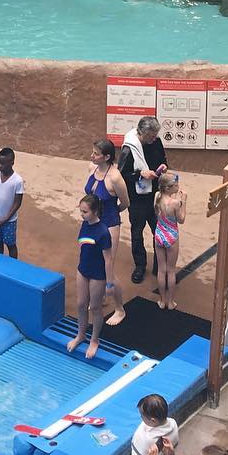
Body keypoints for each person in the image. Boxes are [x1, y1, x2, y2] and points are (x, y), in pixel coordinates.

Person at [119, 117, 168, 284]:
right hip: (137, 198)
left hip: (154, 195)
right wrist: (140, 174)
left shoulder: (156, 142)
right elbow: (122, 175)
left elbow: (163, 159)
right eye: (151, 136)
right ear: (142, 133)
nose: (154, 139)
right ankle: (140, 265)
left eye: (155, 135)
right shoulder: (129, 148)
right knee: (137, 232)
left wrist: (163, 167)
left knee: (159, 232)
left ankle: (159, 266)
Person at [85, 139, 128, 325]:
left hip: (109, 224)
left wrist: (112, 214)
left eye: (96, 153)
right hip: (92, 223)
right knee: (94, 262)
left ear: (107, 157)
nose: (92, 156)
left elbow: (125, 202)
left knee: (108, 267)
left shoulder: (115, 177)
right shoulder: (91, 168)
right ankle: (100, 296)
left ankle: (120, 309)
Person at [67, 194, 113, 359]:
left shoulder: (103, 232)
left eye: (85, 212)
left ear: (95, 212)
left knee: (95, 308)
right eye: (81, 211)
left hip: (97, 275)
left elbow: (108, 260)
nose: (82, 214)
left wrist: (109, 283)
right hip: (83, 270)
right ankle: (81, 334)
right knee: (80, 304)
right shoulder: (84, 225)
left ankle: (94, 339)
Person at [153, 173, 186, 311]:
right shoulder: (175, 203)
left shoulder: (157, 197)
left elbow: (157, 214)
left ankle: (161, 300)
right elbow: (181, 219)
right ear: (168, 188)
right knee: (171, 271)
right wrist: (184, 201)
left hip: (159, 234)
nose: (178, 187)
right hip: (171, 235)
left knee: (161, 270)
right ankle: (170, 302)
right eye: (176, 185)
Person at [0, 147, 24, 258]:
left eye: (3, 163)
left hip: (9, 221)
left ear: (12, 163)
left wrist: (6, 218)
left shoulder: (17, 181)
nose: (0, 166)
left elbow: (17, 203)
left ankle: (13, 265)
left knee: (10, 245)